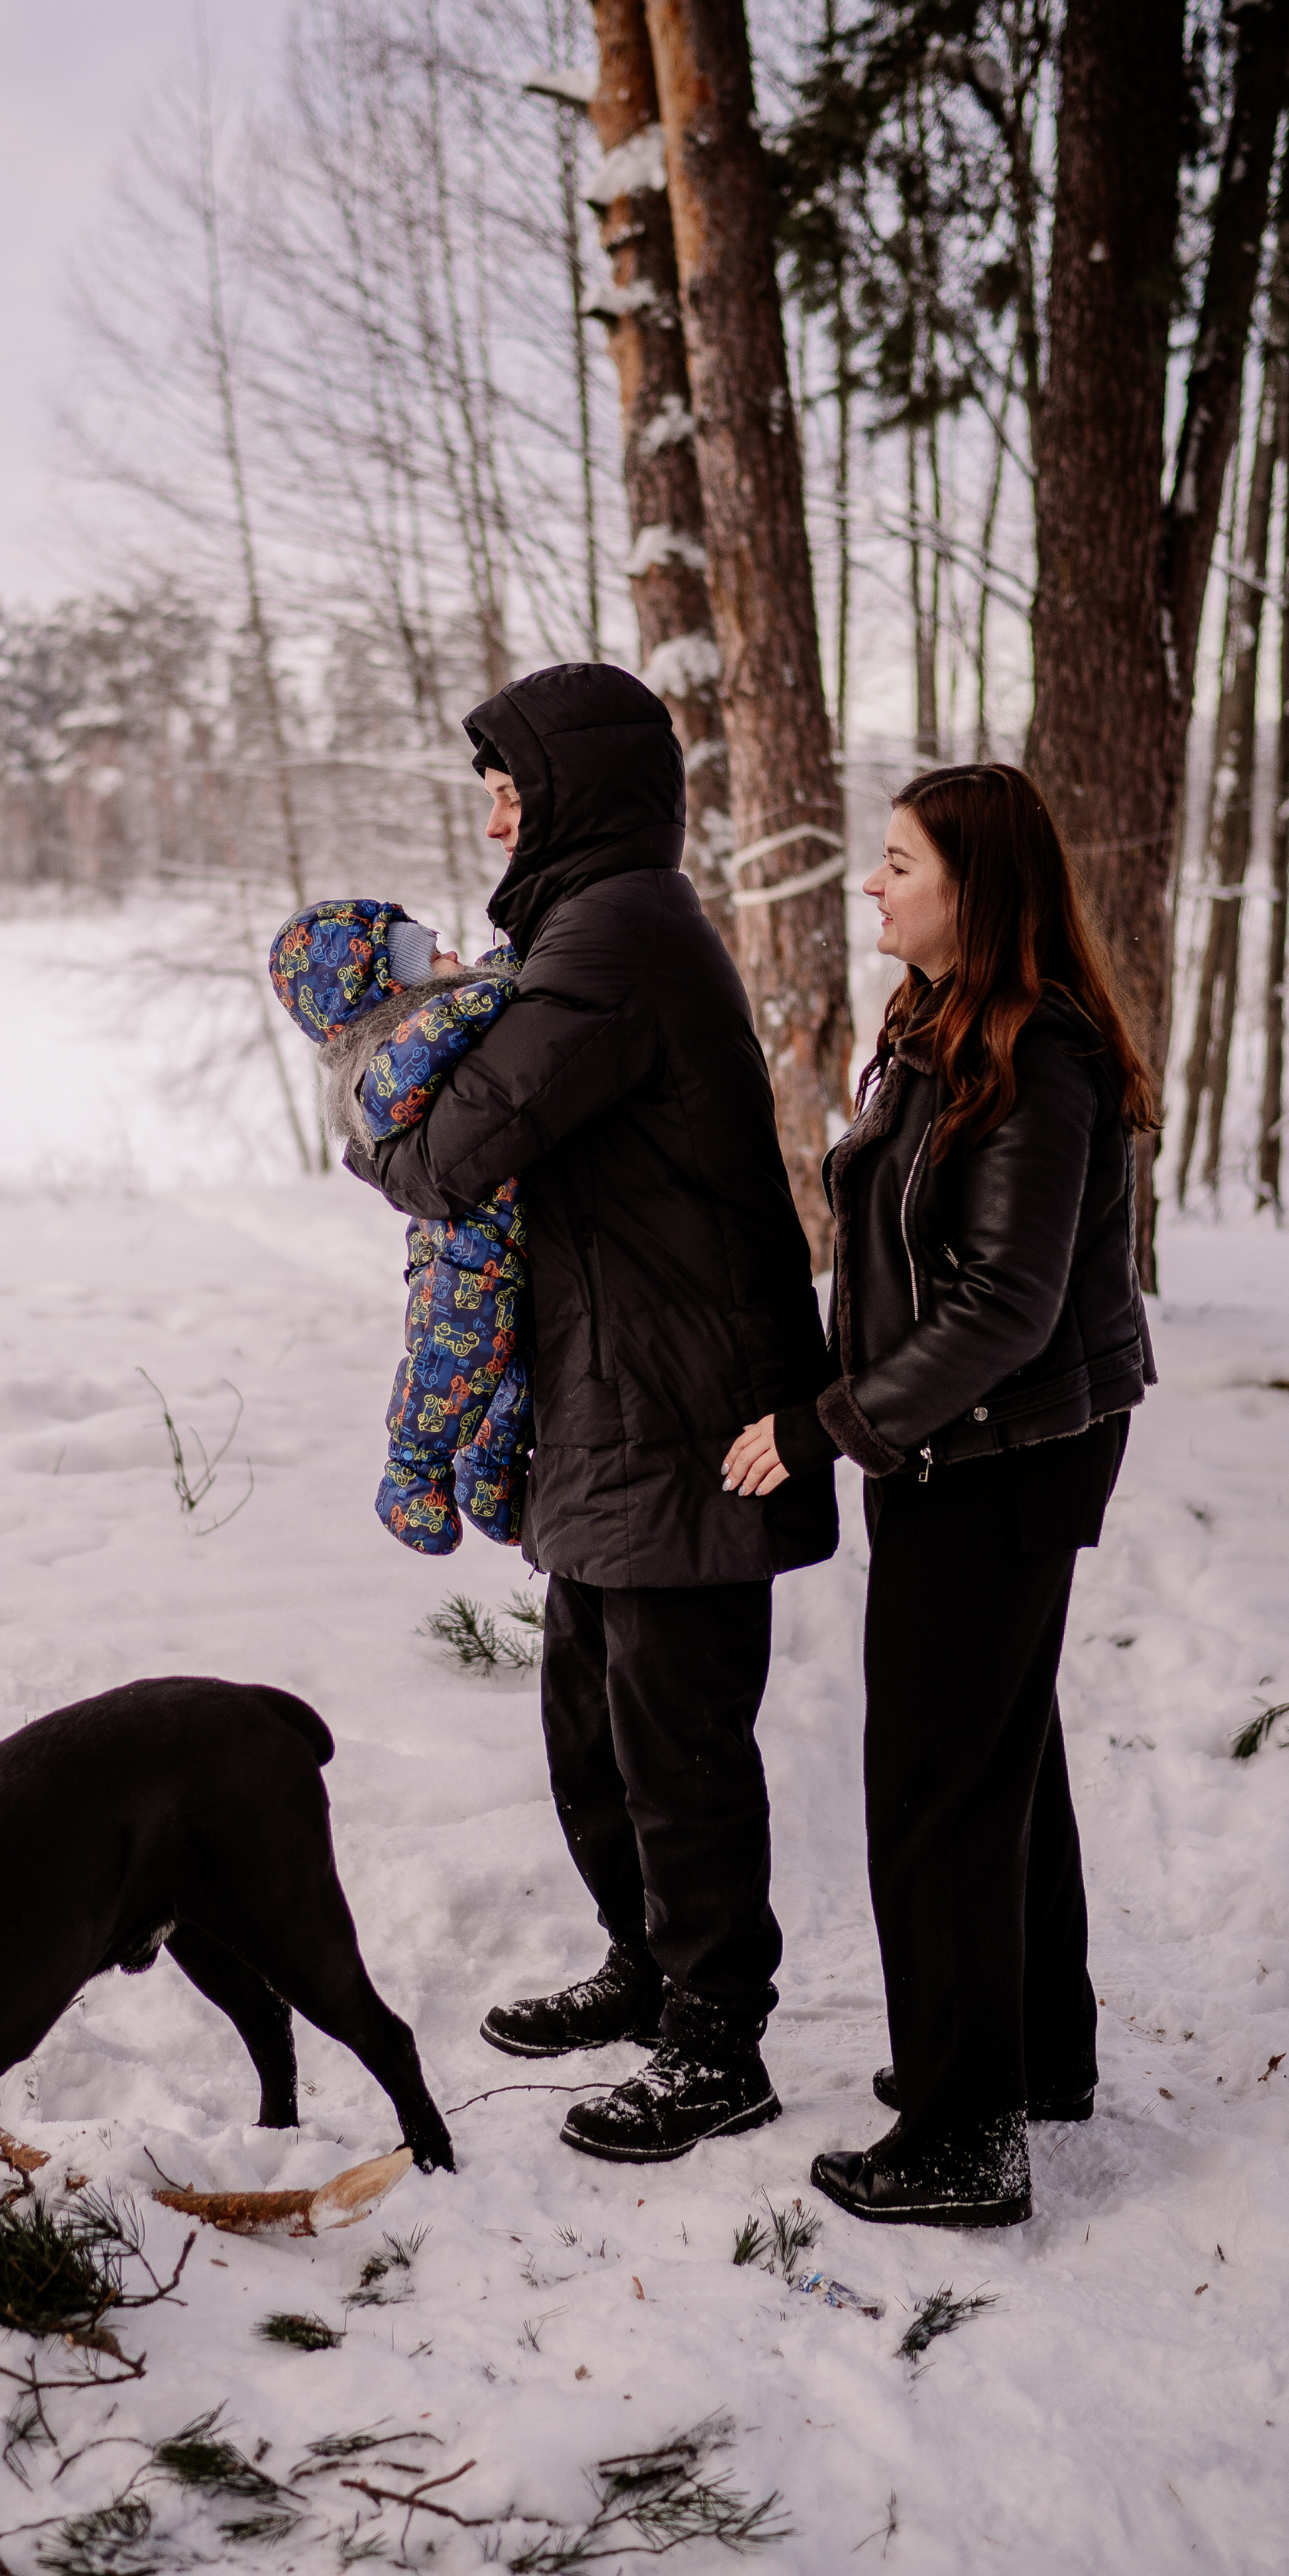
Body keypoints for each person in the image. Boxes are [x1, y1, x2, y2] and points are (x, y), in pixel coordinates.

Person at [354, 660, 838, 2164]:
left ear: (572, 790)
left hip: (686, 1402)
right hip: (612, 1388)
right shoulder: (585, 926)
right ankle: (646, 1967)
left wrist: (372, 1100)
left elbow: (448, 1153)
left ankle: (716, 2042)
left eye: (509, 779)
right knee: (589, 1719)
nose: (491, 805)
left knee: (676, 1739)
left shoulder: (616, 933)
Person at [722, 762, 1158, 2230]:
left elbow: (1004, 1307)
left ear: (975, 887)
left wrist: (833, 1421)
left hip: (1002, 1451)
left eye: (899, 860)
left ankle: (966, 2136)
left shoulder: (1039, 1052)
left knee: (935, 1789)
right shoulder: (943, 1027)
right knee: (994, 1753)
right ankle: (1034, 2058)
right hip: (966, 1446)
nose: (872, 881)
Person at [269, 898, 530, 1551]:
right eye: (420, 950)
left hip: (499, 1241)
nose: (442, 943)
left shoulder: (426, 1017)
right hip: (464, 1256)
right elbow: (420, 1054)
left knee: (517, 1371)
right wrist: (494, 988)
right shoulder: (383, 1055)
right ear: (382, 985)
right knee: (450, 1365)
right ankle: (412, 1474)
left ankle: (489, 1472)